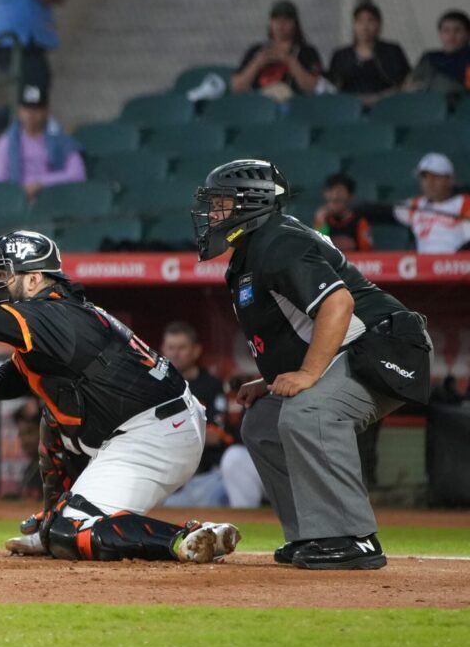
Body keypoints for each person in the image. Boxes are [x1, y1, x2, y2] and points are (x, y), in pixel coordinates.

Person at [0, 230, 241, 564]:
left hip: (156, 433)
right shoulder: (58, 314)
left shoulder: (52, 314)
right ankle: (54, 518)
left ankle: (183, 539)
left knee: (74, 532)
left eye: (3, 274)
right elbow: (31, 367)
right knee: (54, 420)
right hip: (145, 423)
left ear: (35, 280)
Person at [192, 159, 433, 569]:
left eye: (221, 203)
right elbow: (298, 332)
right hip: (352, 351)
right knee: (265, 422)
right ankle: (314, 534)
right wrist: (269, 382)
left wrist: (307, 375)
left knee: (309, 412)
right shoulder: (253, 250)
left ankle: (354, 538)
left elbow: (338, 305)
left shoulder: (278, 240)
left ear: (252, 203)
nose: (213, 214)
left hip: (386, 346)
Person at [160, 322, 264, 509]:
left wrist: (166, 435)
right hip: (170, 479)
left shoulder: (209, 384)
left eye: (182, 347)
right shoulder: (157, 386)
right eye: (171, 347)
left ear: (196, 350)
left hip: (206, 477)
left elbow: (217, 436)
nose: (175, 353)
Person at [0, 85, 85, 202]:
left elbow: (78, 174)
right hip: (16, 202)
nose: (31, 114)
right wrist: (19, 193)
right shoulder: (7, 141)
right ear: (19, 111)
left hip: (54, 198)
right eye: (27, 109)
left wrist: (42, 183)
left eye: (36, 109)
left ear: (47, 111)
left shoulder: (61, 139)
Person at [0, 0, 65, 94]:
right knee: (34, 92)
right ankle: (22, 110)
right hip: (25, 40)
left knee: (24, 94)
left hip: (1, 40)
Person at [231, 0, 322, 100]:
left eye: (286, 20)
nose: (281, 24)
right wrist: (257, 63)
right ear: (270, 23)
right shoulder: (257, 50)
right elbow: (237, 87)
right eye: (276, 20)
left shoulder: (307, 52)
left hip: (293, 103)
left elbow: (312, 87)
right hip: (260, 103)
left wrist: (290, 62)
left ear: (295, 24)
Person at [327, 2, 410, 106]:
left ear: (379, 24)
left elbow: (404, 81)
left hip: (386, 104)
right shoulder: (341, 55)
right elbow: (332, 85)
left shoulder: (392, 51)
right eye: (360, 21)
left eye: (370, 21)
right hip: (349, 104)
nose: (365, 27)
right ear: (354, 25)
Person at [393, 153, 470, 254]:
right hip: (424, 267)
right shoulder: (416, 205)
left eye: (436, 177)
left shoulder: (464, 203)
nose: (429, 183)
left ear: (450, 179)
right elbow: (380, 211)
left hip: (457, 265)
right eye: (425, 177)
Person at [407, 9, 470, 94]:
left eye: (457, 30)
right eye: (446, 30)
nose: (451, 36)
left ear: (467, 34)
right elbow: (409, 85)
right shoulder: (429, 57)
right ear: (440, 34)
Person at [313, 173, 374, 252]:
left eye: (340, 191)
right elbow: (316, 251)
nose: (335, 196)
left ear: (350, 196)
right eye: (331, 191)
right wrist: (321, 225)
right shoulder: (321, 220)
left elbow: (368, 255)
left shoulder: (360, 223)